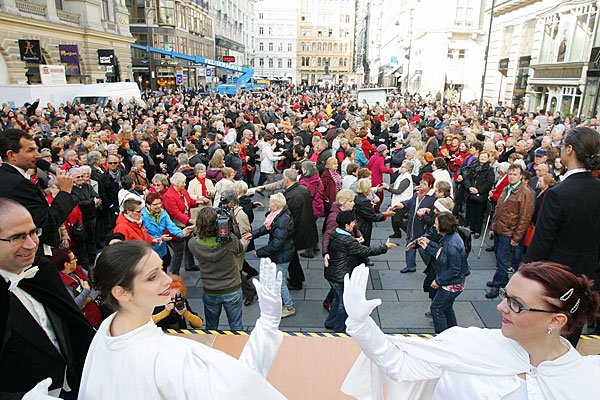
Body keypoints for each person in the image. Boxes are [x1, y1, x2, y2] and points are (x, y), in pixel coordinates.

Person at [342, 261, 600, 399]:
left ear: (555, 321)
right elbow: (400, 365)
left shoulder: (589, 380)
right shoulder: (466, 343)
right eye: (505, 296)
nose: (501, 307)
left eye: (516, 304)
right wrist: (362, 325)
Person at [80, 241, 286, 399]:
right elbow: (240, 389)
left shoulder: (107, 329)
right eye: (152, 277)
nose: (168, 280)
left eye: (162, 269)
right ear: (121, 292)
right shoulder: (166, 357)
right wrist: (267, 323)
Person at [0, 198, 95, 399]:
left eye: (34, 232)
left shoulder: (43, 270)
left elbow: (75, 327)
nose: (31, 244)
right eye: (17, 237)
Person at [524, 126, 600, 346]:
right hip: (588, 276)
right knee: (572, 331)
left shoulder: (559, 194)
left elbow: (542, 242)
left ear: (569, 149)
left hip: (557, 278)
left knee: (549, 333)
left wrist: (526, 272)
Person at [0, 128, 76, 254]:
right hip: (29, 253)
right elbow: (47, 223)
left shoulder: (9, 177)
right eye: (30, 150)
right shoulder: (18, 184)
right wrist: (65, 192)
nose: (38, 155)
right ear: (11, 155)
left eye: (36, 149)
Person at [325, 210, 395, 332]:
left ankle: (330, 322)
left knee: (337, 298)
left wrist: (355, 242)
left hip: (332, 273)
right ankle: (339, 328)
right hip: (341, 275)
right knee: (344, 303)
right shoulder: (348, 240)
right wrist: (385, 247)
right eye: (352, 222)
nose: (354, 225)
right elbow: (366, 251)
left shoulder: (335, 234)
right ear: (346, 225)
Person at [188, 207, 251, 330]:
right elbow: (239, 249)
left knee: (211, 326)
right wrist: (243, 239)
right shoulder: (230, 240)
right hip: (232, 287)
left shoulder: (193, 244)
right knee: (236, 325)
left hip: (210, 290)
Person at [410, 212, 470, 333]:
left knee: (436, 309)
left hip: (451, 284)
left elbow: (454, 269)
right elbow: (441, 252)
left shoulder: (452, 244)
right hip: (455, 283)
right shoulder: (450, 238)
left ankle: (442, 338)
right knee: (446, 308)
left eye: (436, 223)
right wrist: (427, 244)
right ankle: (454, 332)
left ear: (443, 226)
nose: (434, 226)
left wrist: (438, 281)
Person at [486, 165, 534, 299]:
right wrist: (492, 227)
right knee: (499, 257)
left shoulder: (525, 192)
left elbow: (525, 217)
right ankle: (503, 279)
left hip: (509, 231)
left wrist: (517, 237)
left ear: (520, 176)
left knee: (502, 259)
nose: (512, 176)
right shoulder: (506, 189)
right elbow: (498, 209)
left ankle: (497, 285)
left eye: (515, 174)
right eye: (510, 174)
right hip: (499, 229)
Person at [252, 193, 296, 318]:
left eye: (271, 203)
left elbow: (277, 244)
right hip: (284, 252)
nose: (269, 205)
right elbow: (266, 228)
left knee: (280, 282)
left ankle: (289, 306)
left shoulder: (282, 220)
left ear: (276, 206)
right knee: (280, 279)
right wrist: (253, 234)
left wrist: (259, 252)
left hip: (282, 255)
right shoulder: (277, 216)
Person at [283, 169, 318, 290]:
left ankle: (296, 281)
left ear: (287, 180)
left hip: (296, 231)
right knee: (292, 256)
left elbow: (290, 215)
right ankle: (297, 277)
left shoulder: (291, 195)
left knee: (290, 255)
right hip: (305, 227)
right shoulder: (302, 189)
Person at [394, 173, 436, 273]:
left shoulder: (433, 199)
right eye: (421, 182)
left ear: (430, 186)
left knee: (424, 251)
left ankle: (433, 269)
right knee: (409, 246)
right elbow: (409, 202)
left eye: (424, 184)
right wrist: (401, 204)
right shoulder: (417, 194)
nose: (421, 185)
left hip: (423, 230)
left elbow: (432, 219)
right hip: (412, 226)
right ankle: (410, 266)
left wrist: (423, 215)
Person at [51, 247, 102, 329]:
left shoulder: (78, 271)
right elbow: (73, 306)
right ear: (66, 264)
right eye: (74, 258)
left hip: (96, 313)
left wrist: (87, 299)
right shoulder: (61, 284)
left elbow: (97, 286)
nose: (76, 260)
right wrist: (86, 291)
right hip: (86, 323)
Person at [142, 191, 193, 271]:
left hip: (162, 249)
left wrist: (181, 233)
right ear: (148, 205)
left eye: (159, 203)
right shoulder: (142, 217)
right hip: (149, 251)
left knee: (163, 270)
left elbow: (171, 226)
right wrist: (159, 238)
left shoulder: (163, 213)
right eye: (155, 204)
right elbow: (142, 235)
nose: (158, 206)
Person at [163, 172, 199, 273]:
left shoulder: (182, 191)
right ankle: (174, 274)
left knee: (189, 243)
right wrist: (189, 220)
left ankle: (190, 265)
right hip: (175, 226)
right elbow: (175, 213)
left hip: (184, 224)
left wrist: (197, 201)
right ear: (177, 183)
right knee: (179, 250)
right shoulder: (169, 196)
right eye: (183, 182)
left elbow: (189, 202)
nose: (185, 184)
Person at [383, 160, 414, 239]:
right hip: (397, 201)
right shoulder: (402, 175)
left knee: (397, 219)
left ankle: (409, 232)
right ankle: (397, 233)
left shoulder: (406, 178)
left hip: (402, 202)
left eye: (403, 167)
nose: (401, 168)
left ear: (408, 169)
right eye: (401, 166)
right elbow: (395, 185)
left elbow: (398, 191)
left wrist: (388, 188)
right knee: (394, 217)